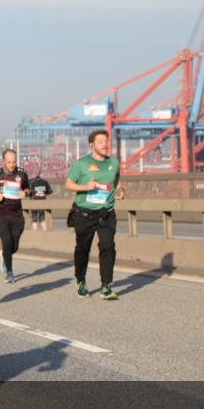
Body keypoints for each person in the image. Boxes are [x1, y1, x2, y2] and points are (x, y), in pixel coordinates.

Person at [65, 129, 125, 300]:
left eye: (106, 141)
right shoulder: (81, 164)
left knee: (108, 246)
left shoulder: (114, 162)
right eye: (100, 141)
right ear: (92, 145)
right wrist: (85, 187)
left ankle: (106, 286)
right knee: (82, 249)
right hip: (84, 214)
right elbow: (68, 184)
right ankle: (81, 280)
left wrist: (120, 190)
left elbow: (117, 181)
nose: (105, 144)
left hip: (106, 214)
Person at [0, 148, 30, 284]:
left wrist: (25, 193)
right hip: (0, 214)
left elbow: (27, 188)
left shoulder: (22, 173)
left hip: (17, 214)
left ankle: (4, 255)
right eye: (9, 162)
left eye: (13, 162)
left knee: (14, 246)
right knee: (6, 241)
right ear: (4, 161)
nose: (11, 165)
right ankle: (9, 272)